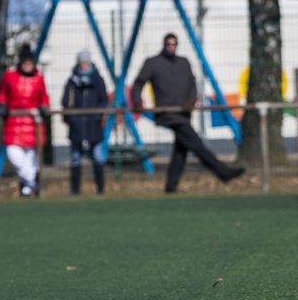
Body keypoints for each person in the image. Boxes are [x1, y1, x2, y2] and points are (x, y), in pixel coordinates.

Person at [131, 33, 244, 193]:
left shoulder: (184, 63)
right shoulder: (153, 63)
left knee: (181, 151)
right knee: (197, 145)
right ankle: (223, 172)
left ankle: (170, 187)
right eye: (168, 44)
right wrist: (137, 101)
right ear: (164, 45)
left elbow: (192, 85)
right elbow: (138, 83)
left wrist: (190, 102)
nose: (171, 47)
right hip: (168, 114)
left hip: (183, 113)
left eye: (174, 44)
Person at [0, 45, 50, 197]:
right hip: (13, 123)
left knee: (31, 159)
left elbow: (44, 97)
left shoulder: (38, 78)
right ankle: (33, 183)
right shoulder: (9, 76)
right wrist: (2, 105)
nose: (28, 65)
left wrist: (44, 106)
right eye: (25, 62)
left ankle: (27, 189)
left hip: (33, 123)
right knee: (15, 156)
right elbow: (2, 94)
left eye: (30, 63)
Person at [61, 50, 109, 195]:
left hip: (94, 126)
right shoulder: (71, 82)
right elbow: (65, 102)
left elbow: (104, 100)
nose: (84, 66)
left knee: (97, 157)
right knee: (76, 159)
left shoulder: (98, 80)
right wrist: (72, 118)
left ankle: (101, 189)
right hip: (77, 127)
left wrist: (97, 116)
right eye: (82, 63)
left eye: (86, 63)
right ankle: (75, 190)